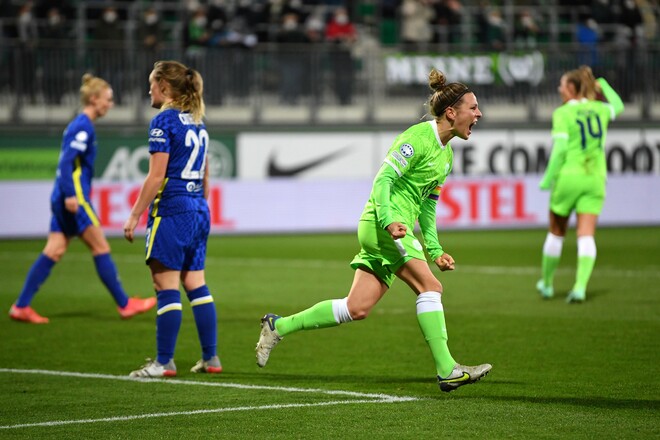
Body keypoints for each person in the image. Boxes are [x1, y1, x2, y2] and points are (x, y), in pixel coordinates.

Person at [255, 68, 491, 392]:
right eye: (473, 107)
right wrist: (388, 221)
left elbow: (428, 205)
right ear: (451, 112)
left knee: (356, 308)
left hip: (392, 230)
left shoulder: (446, 155)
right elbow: (383, 180)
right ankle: (447, 369)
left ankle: (277, 326)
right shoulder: (417, 139)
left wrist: (435, 250)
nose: (479, 114)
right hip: (384, 226)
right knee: (430, 287)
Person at [9, 74, 157, 324]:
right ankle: (124, 304)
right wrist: (70, 195)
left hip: (63, 196)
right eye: (108, 99)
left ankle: (21, 306)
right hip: (74, 198)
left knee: (54, 250)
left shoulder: (80, 125)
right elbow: (66, 163)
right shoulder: (83, 126)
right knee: (101, 247)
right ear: (94, 99)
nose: (110, 104)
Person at [124, 60, 221, 377]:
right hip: (198, 209)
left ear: (164, 86)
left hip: (172, 209)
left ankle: (164, 362)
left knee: (164, 285)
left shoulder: (163, 121)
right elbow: (206, 176)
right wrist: (197, 209)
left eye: (151, 84)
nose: (148, 90)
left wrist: (135, 215)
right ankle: (211, 358)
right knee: (196, 283)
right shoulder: (198, 121)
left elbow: (155, 177)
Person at [536, 66, 624, 303]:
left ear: (571, 88)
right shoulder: (599, 109)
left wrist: (547, 178)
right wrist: (602, 84)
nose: (559, 89)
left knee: (556, 231)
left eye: (562, 85)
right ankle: (580, 287)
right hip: (595, 179)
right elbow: (618, 105)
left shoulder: (563, 113)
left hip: (569, 177)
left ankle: (547, 284)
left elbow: (560, 150)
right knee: (586, 235)